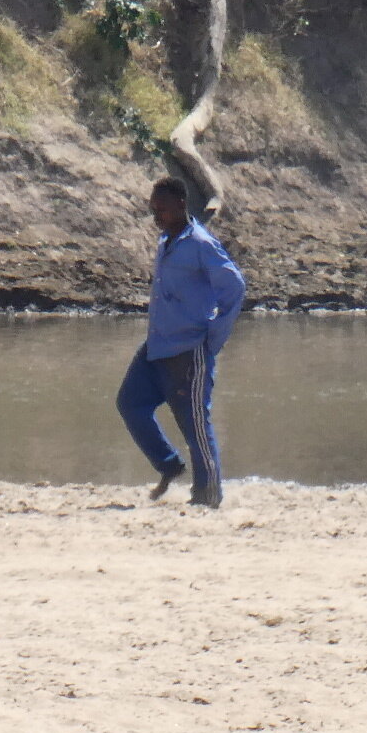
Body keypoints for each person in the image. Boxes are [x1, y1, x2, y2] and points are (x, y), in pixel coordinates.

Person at [117, 175, 245, 508]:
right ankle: (169, 465)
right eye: (152, 208)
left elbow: (234, 288)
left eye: (162, 208)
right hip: (155, 347)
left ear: (182, 205)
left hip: (188, 351)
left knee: (195, 428)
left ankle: (208, 495)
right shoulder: (165, 242)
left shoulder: (201, 243)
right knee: (130, 404)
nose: (156, 215)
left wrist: (211, 339)